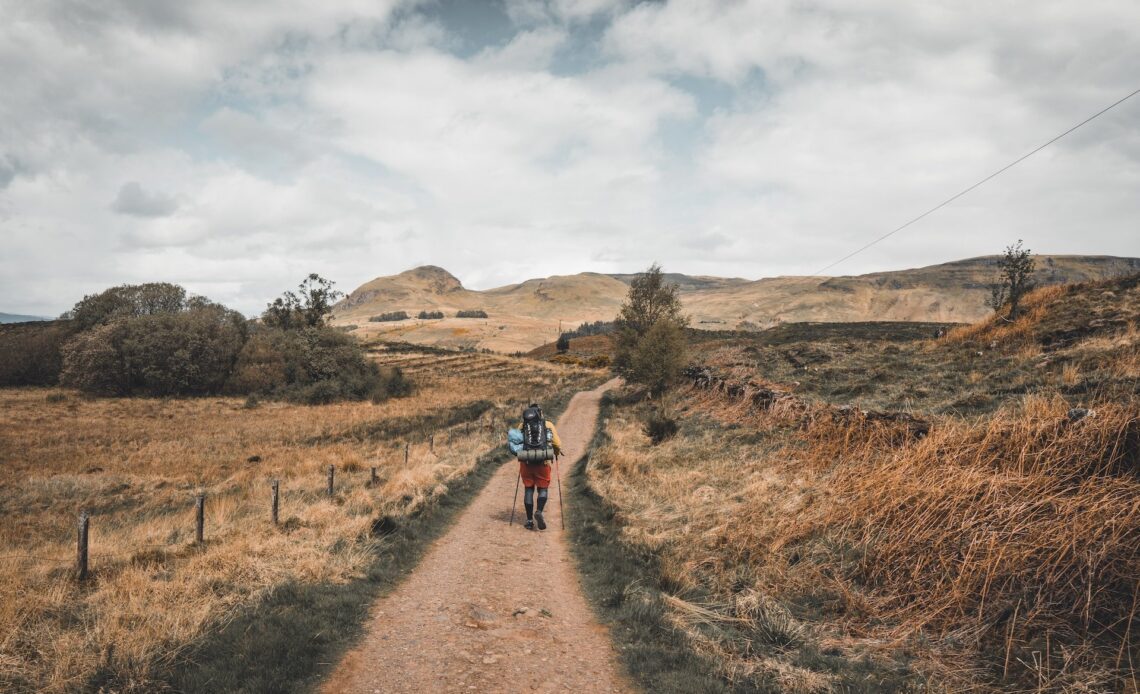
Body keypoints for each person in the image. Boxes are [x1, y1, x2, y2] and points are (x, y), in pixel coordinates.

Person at [517, 403, 561, 530]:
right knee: (543, 489)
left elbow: (517, 442)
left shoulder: (523, 425)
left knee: (528, 489)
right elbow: (557, 444)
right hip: (543, 462)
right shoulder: (548, 425)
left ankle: (529, 520)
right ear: (540, 413)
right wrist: (556, 453)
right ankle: (539, 511)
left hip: (526, 462)